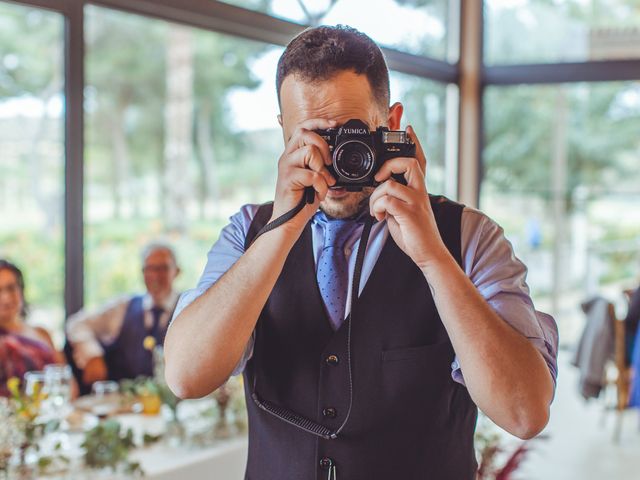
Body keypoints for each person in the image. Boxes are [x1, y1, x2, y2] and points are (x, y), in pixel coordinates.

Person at [165, 26, 558, 479]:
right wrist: (282, 229)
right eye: (313, 137)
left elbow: (525, 412)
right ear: (284, 133)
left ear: (391, 124)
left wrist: (433, 258)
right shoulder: (248, 233)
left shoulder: (468, 237)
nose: (335, 159)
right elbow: (185, 376)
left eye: (350, 134)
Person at [66, 243, 180, 387]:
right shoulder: (123, 307)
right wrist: (92, 354)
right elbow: (76, 324)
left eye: (163, 268)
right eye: (149, 269)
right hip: (125, 403)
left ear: (177, 271)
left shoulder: (188, 309)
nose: (155, 276)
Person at [0, 260, 58, 396]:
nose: (6, 298)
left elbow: (67, 382)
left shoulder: (42, 333)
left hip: (52, 410)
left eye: (11, 288)